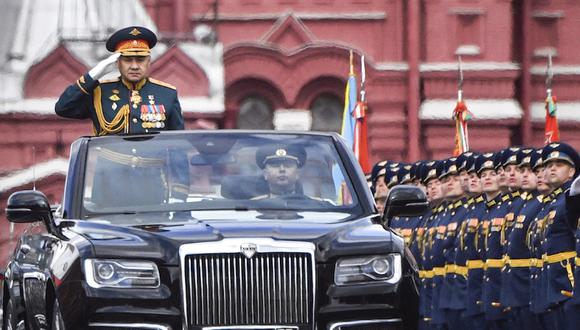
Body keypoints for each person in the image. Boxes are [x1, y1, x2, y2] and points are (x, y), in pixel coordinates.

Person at [55, 26, 184, 135]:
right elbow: (63, 108)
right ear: (117, 63)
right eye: (127, 60)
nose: (134, 66)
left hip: (152, 165)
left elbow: (178, 143)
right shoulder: (100, 92)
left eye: (140, 60)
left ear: (149, 62)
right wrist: (93, 75)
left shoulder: (167, 94)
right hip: (112, 164)